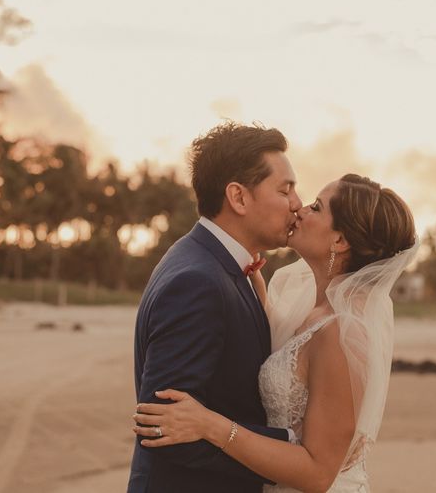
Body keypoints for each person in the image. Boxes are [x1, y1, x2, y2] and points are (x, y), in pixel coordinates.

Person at [133, 173, 418, 493]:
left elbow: (318, 474)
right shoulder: (313, 311)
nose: (299, 210)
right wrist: (257, 298)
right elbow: (291, 357)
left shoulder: (340, 333)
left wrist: (211, 425)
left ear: (339, 240)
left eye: (316, 207)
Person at [127, 122, 303, 493]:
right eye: (285, 189)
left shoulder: (215, 265)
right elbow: (163, 426)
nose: (297, 204)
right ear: (238, 197)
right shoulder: (198, 282)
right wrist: (288, 449)